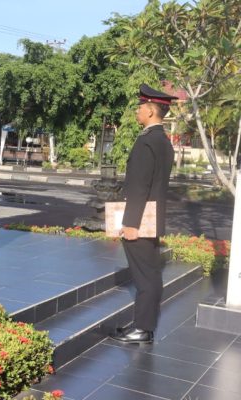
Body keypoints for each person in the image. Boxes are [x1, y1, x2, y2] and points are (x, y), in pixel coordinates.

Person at [109, 84, 176, 344]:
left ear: (150, 111)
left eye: (140, 107)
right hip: (152, 216)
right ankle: (143, 326)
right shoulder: (163, 141)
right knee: (150, 273)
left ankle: (143, 329)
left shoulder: (147, 141)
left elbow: (140, 186)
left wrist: (131, 223)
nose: (137, 111)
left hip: (141, 220)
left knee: (145, 277)